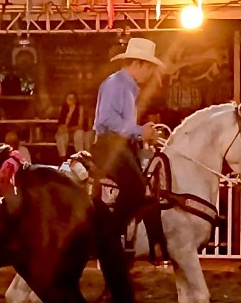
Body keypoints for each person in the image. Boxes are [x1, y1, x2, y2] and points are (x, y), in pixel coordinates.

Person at [91, 37, 162, 227]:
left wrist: (141, 134)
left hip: (118, 145)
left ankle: (118, 233)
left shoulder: (126, 86)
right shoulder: (116, 84)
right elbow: (107, 119)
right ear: (138, 64)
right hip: (109, 145)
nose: (150, 73)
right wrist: (139, 131)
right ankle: (111, 232)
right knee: (136, 189)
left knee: (144, 187)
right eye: (149, 68)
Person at [55, 91, 86, 161]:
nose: (71, 101)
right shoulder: (63, 109)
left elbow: (80, 125)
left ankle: (80, 157)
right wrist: (70, 113)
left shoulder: (80, 108)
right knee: (60, 136)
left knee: (79, 134)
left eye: (73, 99)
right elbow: (62, 125)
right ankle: (63, 158)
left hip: (75, 130)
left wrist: (69, 129)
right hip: (66, 131)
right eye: (69, 99)